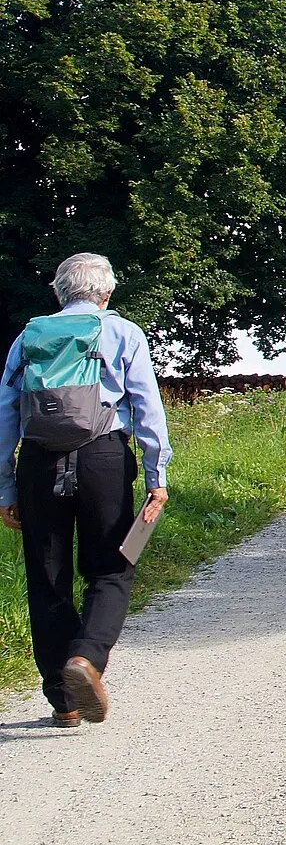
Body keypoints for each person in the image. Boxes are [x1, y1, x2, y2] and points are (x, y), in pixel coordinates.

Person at [0, 253, 171, 728]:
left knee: (47, 575)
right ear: (106, 292)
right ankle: (87, 659)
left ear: (58, 292)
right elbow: (146, 408)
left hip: (38, 461)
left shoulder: (28, 337)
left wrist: (4, 484)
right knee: (111, 567)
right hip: (103, 457)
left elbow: (6, 413)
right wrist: (157, 475)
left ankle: (64, 701)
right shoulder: (124, 333)